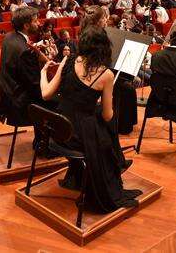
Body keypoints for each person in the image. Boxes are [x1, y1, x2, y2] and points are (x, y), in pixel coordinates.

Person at [38, 27, 142, 212]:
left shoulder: (68, 60)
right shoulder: (106, 74)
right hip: (79, 136)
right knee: (108, 137)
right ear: (104, 48)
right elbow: (108, 115)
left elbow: (46, 94)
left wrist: (42, 73)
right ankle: (108, 179)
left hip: (58, 130)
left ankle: (79, 177)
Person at [0, 7, 51, 145]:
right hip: (18, 104)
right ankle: (46, 145)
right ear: (26, 25)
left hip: (7, 95)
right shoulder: (24, 51)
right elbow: (35, 85)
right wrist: (46, 73)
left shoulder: (10, 37)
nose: (39, 23)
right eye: (35, 21)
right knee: (58, 101)